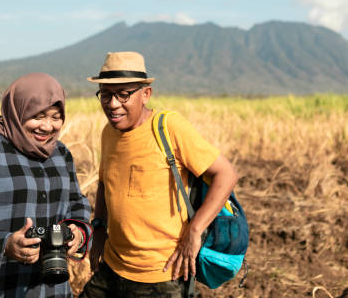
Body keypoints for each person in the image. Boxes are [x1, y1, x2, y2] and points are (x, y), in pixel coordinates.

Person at [79, 51, 239, 298]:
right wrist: (98, 228)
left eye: (123, 94)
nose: (112, 104)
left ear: (146, 94)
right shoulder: (108, 133)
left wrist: (195, 230)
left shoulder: (168, 128)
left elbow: (226, 174)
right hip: (112, 267)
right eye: (106, 94)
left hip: (163, 275)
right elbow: (104, 182)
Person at [0, 73, 91, 297]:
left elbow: (76, 201)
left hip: (48, 288)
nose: (47, 127)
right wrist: (3, 244)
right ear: (18, 110)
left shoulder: (61, 153)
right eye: (38, 116)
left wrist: (78, 231)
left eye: (56, 117)